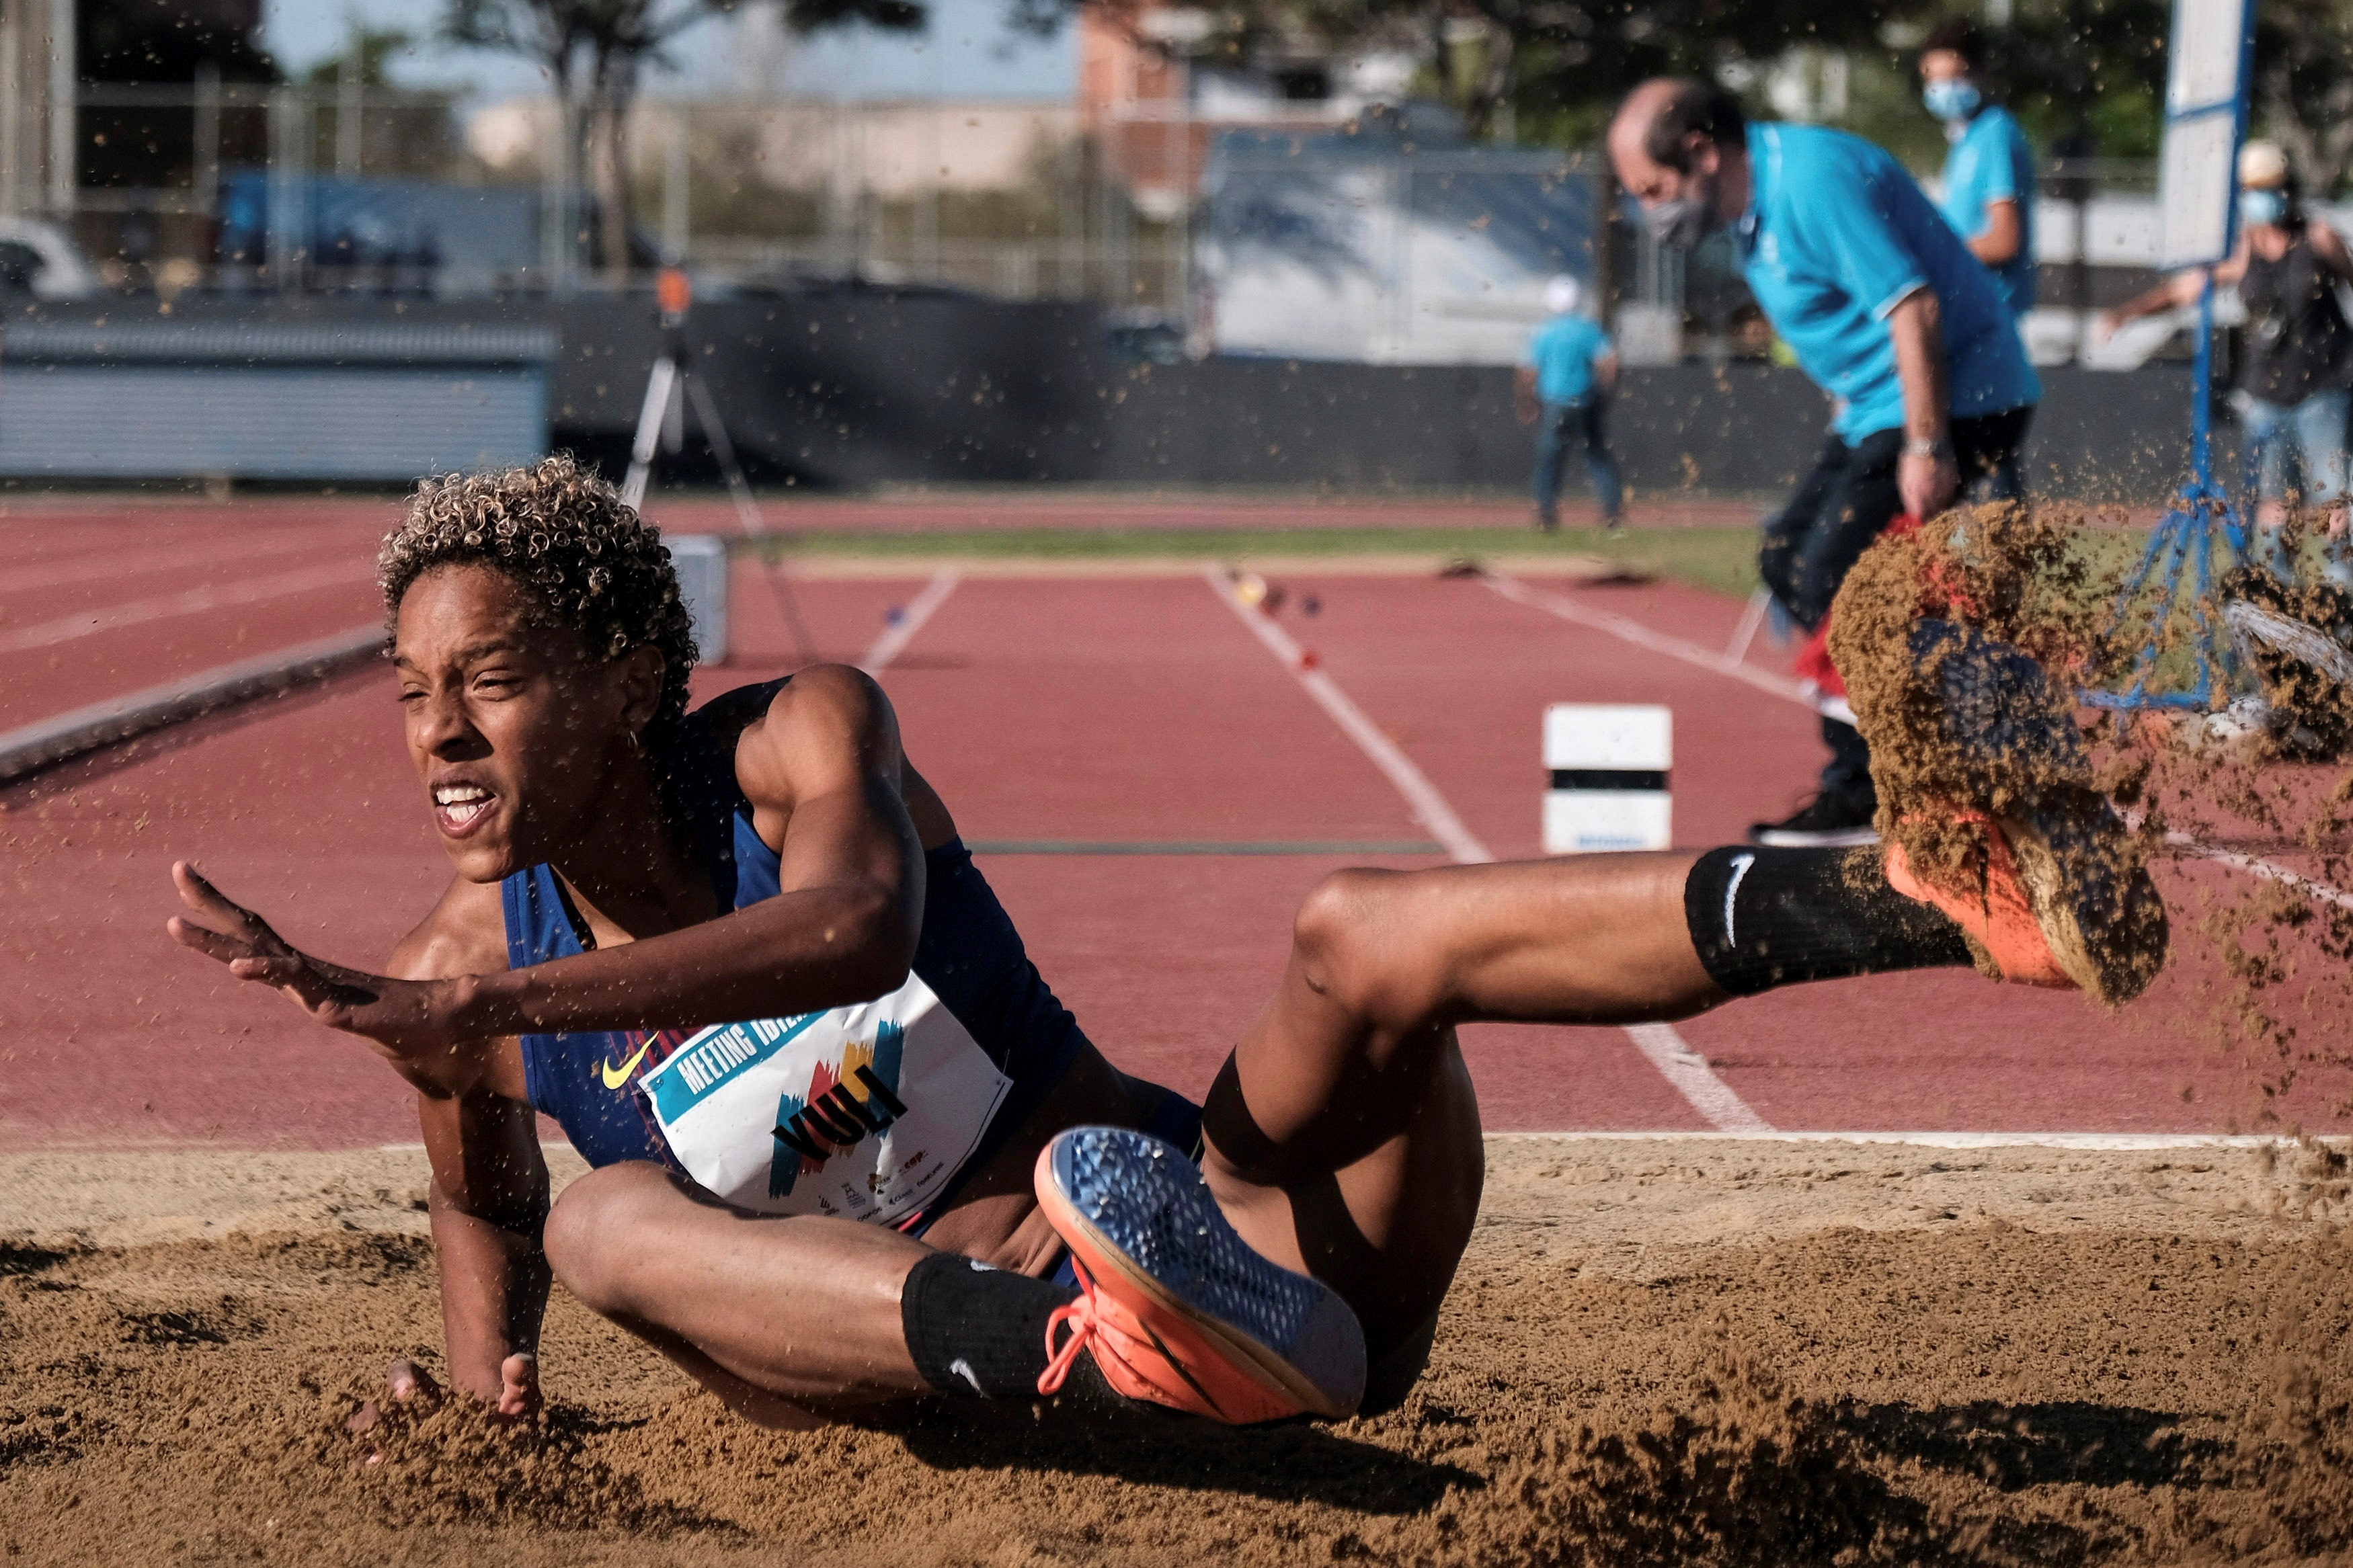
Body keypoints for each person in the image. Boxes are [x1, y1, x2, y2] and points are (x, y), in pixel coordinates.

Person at [165, 456, 2162, 1433]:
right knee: (605, 1228)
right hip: (976, 1379)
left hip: (1259, 1273)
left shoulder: (790, 745)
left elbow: (860, 930)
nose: (433, 732)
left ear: (615, 677)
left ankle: (1916, 893)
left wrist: (492, 1002)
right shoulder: (454, 976)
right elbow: (492, 1216)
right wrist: (480, 1397)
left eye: (487, 681)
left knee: (1352, 932)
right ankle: (1080, 1357)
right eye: (407, 691)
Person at [1607, 79, 2041, 850]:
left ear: (1702, 154)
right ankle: (1939, 732)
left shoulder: (1808, 182)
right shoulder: (1746, 208)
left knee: (1831, 576)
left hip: (1960, 398)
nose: (1648, 211)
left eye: (1652, 189)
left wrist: (1926, 444)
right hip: (1876, 406)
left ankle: (1875, 789)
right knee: (1784, 558)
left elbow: (1914, 307)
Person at [2102, 140, 2353, 591]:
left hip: (2324, 389)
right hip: (2266, 396)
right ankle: (2282, 603)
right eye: (2253, 189)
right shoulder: (2242, 250)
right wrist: (2127, 313)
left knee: (2335, 499)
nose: (2263, 198)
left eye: (2270, 188)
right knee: (2275, 508)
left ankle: (2342, 594)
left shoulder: (2319, 239)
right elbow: (2185, 289)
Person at [1921, 16, 2037, 502]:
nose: (1944, 89)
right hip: (1967, 321)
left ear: (1979, 74)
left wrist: (1932, 251)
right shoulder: (1965, 141)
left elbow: (2004, 238)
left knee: (1985, 466)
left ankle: (1998, 573)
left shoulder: (1992, 135)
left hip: (1987, 322)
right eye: (1933, 79)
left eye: (1954, 76)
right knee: (1972, 469)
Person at [1518, 274, 1625, 533]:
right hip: (1585, 401)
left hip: (1554, 402)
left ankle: (1546, 512)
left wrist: (1527, 404)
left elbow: (1528, 372)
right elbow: (1609, 363)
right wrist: (1605, 396)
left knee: (1550, 458)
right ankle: (1611, 512)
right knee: (1597, 455)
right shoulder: (1588, 329)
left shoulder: (1544, 332)